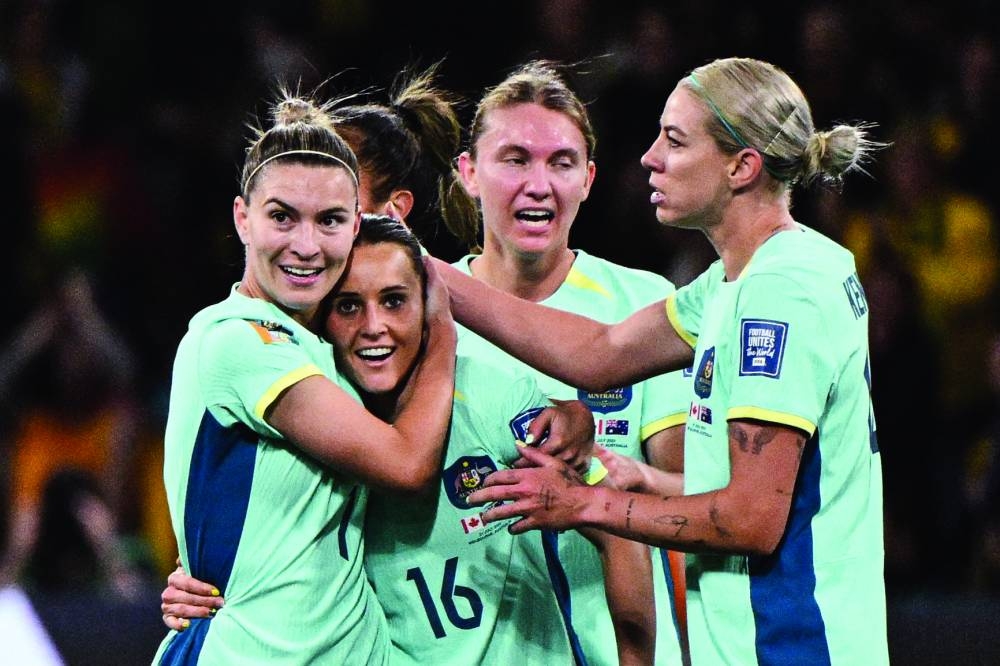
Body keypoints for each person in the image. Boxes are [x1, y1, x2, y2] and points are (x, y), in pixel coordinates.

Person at [429, 56, 889, 665]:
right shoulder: (741, 280)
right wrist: (419, 266)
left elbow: (750, 518)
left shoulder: (780, 293)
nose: (649, 157)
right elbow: (601, 354)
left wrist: (581, 504)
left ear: (741, 165)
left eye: (674, 139)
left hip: (791, 645)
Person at [161, 214, 649, 664]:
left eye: (394, 301)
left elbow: (616, 530)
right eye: (348, 306)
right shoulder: (317, 430)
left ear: (428, 306)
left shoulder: (488, 395)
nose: (374, 328)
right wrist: (204, 579)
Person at [152, 89, 460, 665]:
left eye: (330, 221)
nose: (306, 245)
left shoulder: (329, 349)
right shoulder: (237, 340)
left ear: (359, 225)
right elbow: (406, 464)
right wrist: (443, 328)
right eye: (282, 217)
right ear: (242, 217)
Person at [451, 60, 690, 665]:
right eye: (514, 159)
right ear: (468, 174)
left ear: (587, 180)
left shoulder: (644, 306)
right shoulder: (415, 318)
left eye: (560, 163)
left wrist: (597, 486)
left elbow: (695, 504)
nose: (540, 183)